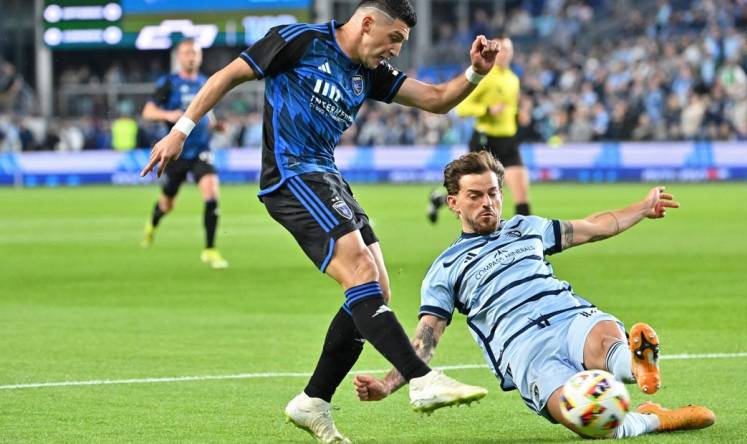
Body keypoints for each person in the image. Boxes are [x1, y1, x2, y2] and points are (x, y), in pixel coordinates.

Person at [141, 1, 501, 442]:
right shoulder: (298, 41)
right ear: (367, 22)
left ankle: (313, 401)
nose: (395, 51)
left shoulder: (368, 72)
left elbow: (436, 100)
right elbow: (227, 76)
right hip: (291, 175)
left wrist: (476, 72)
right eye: (394, 39)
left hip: (327, 177)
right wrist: (180, 130)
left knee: (376, 289)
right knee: (362, 273)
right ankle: (421, 378)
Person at [354, 151, 716, 439]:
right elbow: (425, 341)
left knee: (604, 338)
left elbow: (592, 228)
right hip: (525, 352)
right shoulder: (445, 269)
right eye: (475, 196)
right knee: (588, 421)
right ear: (453, 203)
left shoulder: (527, 228)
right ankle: (651, 419)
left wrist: (643, 207)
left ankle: (634, 364)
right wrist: (388, 384)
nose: (488, 204)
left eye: (494, 193)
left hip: (568, 318)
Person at [140, 38, 228, 269]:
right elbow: (148, 112)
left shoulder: (205, 82)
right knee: (167, 204)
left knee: (211, 195)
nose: (192, 57)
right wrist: (169, 117)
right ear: (179, 57)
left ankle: (210, 249)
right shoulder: (168, 83)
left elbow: (207, 114)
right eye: (187, 53)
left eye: (195, 53)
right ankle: (153, 222)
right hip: (176, 154)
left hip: (201, 151)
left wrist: (215, 125)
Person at [428, 36, 531, 223]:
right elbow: (462, 108)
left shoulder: (513, 79)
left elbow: (510, 106)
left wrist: (519, 113)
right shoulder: (485, 77)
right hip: (485, 141)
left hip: (508, 140)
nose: (505, 54)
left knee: (522, 197)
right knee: (471, 193)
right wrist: (486, 110)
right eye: (502, 50)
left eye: (509, 49)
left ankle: (526, 246)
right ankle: (440, 200)